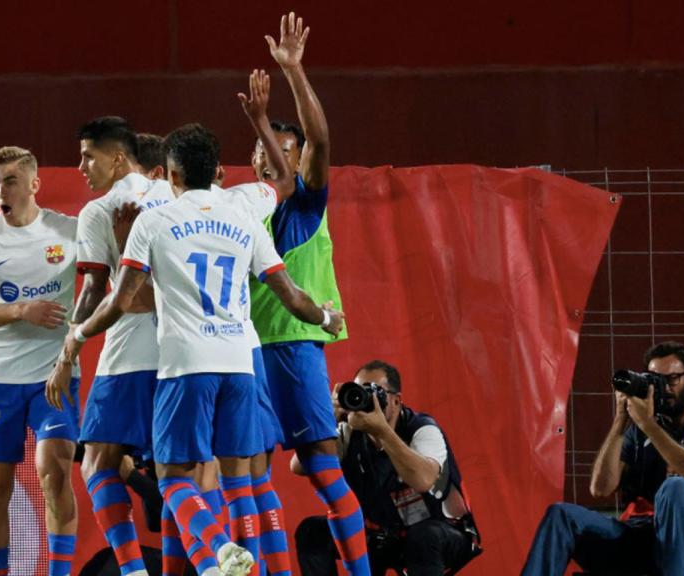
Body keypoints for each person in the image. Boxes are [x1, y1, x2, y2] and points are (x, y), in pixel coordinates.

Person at [53, 122, 344, 576]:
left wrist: (76, 336)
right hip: (242, 364)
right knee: (242, 480)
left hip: (185, 366)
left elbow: (121, 300)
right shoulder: (244, 210)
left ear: (169, 174)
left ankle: (217, 550)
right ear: (219, 170)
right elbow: (290, 290)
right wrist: (327, 319)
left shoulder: (150, 219)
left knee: (172, 479)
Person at [246, 13, 368, 576]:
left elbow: (319, 138)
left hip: (294, 346)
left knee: (321, 467)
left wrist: (293, 73)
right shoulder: (239, 209)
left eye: (278, 150)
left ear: (294, 160)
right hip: (241, 353)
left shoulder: (303, 207)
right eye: (259, 150)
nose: (266, 157)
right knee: (248, 472)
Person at [0, 146, 80, 576]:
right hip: (0, 377)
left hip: (55, 374)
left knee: (55, 471)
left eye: (9, 181)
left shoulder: (69, 231)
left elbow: (109, 276)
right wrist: (20, 311)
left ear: (34, 184)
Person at [61, 116, 166, 576]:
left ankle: (132, 570)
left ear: (117, 157)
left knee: (97, 462)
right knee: (183, 472)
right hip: (186, 353)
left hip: (130, 352)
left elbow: (95, 288)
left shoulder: (100, 209)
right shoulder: (173, 194)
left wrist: (69, 343)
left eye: (88, 155)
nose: (81, 165)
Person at [521, 341, 684, 576]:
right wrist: (621, 423)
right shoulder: (639, 430)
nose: (664, 389)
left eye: (671, 379)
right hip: (638, 534)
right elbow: (601, 488)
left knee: (676, 487)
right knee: (561, 515)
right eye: (655, 381)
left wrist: (648, 425)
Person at [293, 360, 481, 576]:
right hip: (382, 536)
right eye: (360, 391)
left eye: (375, 392)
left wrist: (382, 431)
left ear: (396, 401)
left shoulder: (422, 429)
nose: (367, 399)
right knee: (312, 531)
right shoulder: (349, 429)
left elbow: (424, 480)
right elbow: (300, 466)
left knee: (424, 537)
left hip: (442, 533)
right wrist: (327, 419)